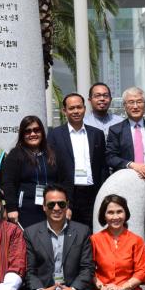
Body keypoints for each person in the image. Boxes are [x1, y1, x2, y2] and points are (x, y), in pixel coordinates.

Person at [106, 87, 145, 229]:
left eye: (139, 102)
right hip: (126, 189)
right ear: (125, 106)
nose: (135, 106)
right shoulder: (116, 130)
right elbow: (110, 157)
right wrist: (132, 165)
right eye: (131, 102)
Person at [48, 93, 107, 229]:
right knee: (69, 232)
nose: (76, 111)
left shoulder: (96, 134)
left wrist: (103, 191)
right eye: (71, 108)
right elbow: (52, 166)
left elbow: (103, 166)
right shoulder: (55, 135)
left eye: (79, 107)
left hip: (92, 192)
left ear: (84, 109)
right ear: (64, 111)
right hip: (68, 192)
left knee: (93, 230)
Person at [1, 116, 59, 227]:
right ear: (22, 134)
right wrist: (11, 208)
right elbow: (8, 183)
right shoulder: (15, 155)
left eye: (36, 130)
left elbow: (64, 180)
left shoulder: (53, 153)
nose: (33, 134)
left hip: (53, 207)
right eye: (28, 131)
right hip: (26, 209)